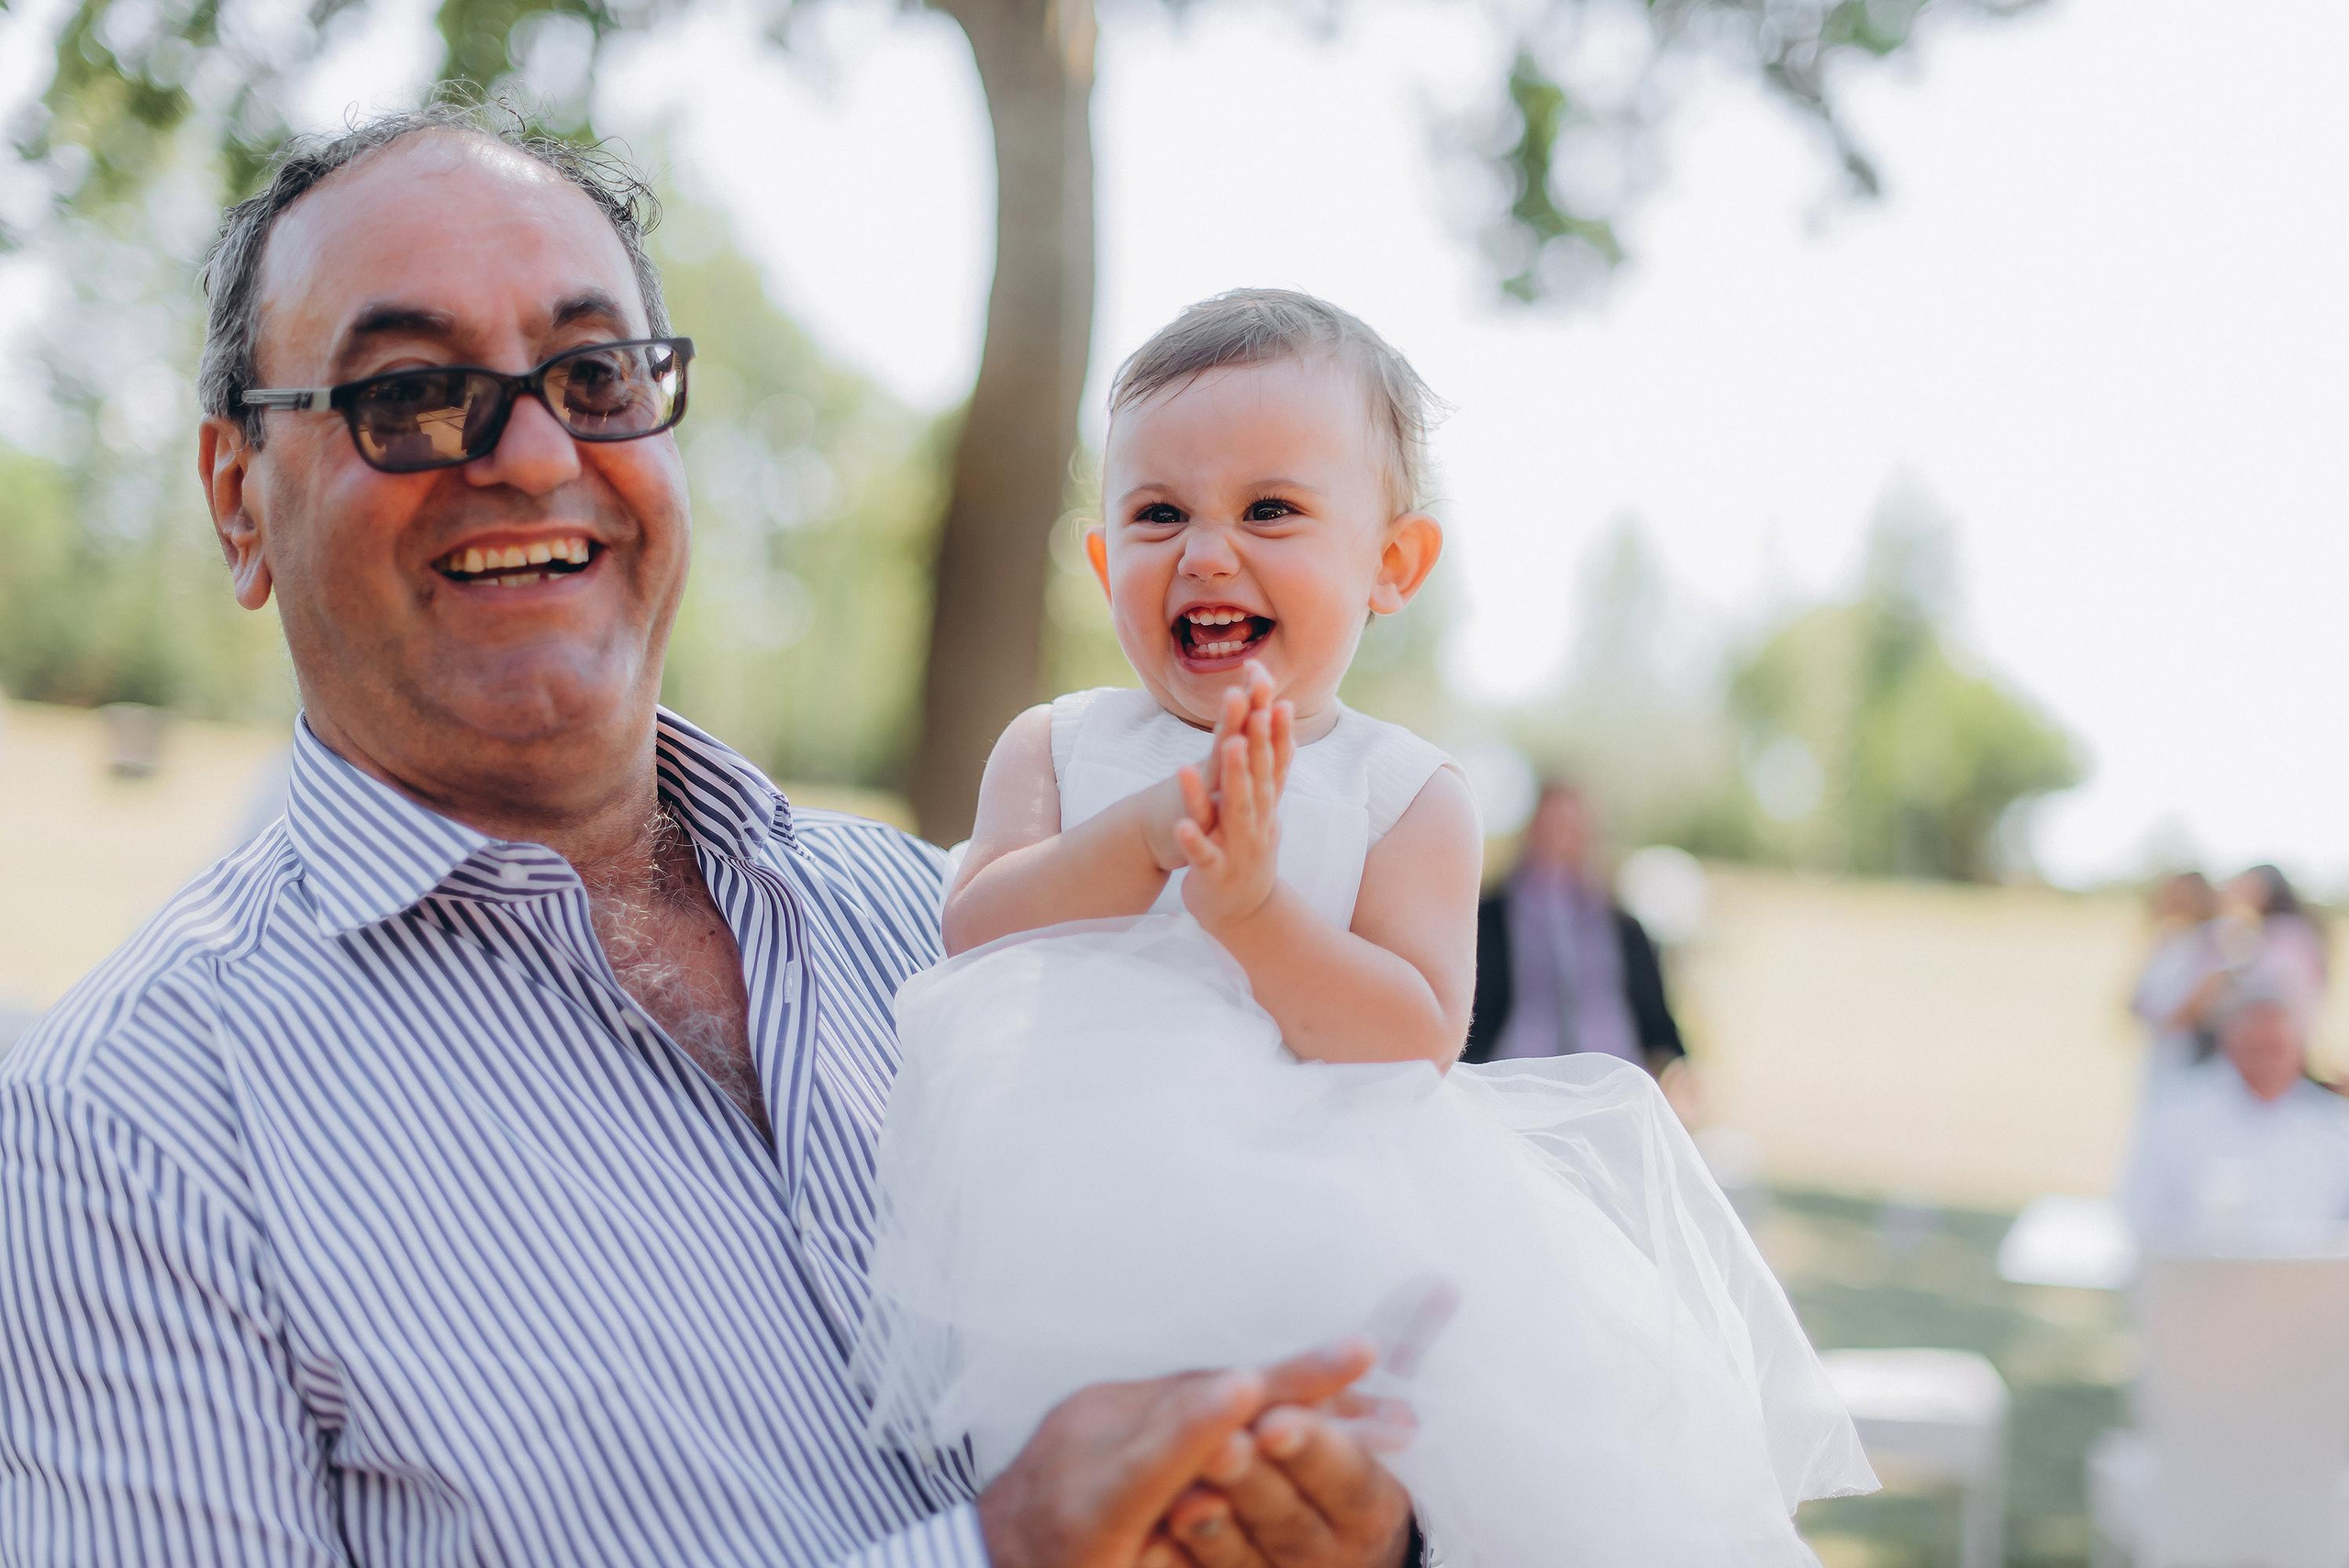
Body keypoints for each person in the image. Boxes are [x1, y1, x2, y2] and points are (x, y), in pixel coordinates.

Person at [0, 108, 1421, 1568]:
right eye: (413, 391)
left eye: (596, 374)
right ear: (240, 499)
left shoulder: (936, 918)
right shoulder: (130, 1130)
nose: (534, 450)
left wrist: (1359, 1529)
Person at [852, 289, 1874, 1567]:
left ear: (1391, 565)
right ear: (1106, 560)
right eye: (1159, 513)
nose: (1209, 553)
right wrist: (1141, 838)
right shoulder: (1058, 746)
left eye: (1269, 510)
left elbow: (1411, 1034)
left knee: (1319, 1499)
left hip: (1317, 1238)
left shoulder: (1407, 795)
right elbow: (976, 932)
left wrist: (1255, 913)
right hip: (1068, 1224)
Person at [1461, 781, 1685, 1071]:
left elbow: (1655, 1017)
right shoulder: (1490, 917)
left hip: (1612, 1074)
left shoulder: (1621, 924)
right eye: (1550, 828)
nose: (1559, 841)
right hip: (1515, 1071)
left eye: (1571, 830)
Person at [2121, 983, 2349, 1252]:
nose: (2266, 1063)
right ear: (2229, 1046)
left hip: (2310, 1285)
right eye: (2253, 1049)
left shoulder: (2335, 1124)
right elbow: (2139, 1217)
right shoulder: (2176, 1117)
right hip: (2201, 1281)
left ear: (2298, 1050)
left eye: (2275, 1048)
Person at [2129, 870, 2227, 1103]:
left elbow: (2208, 995)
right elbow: (2137, 997)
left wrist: (2169, 1021)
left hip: (2194, 1051)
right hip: (2159, 1049)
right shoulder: (2164, 939)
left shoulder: (2213, 939)